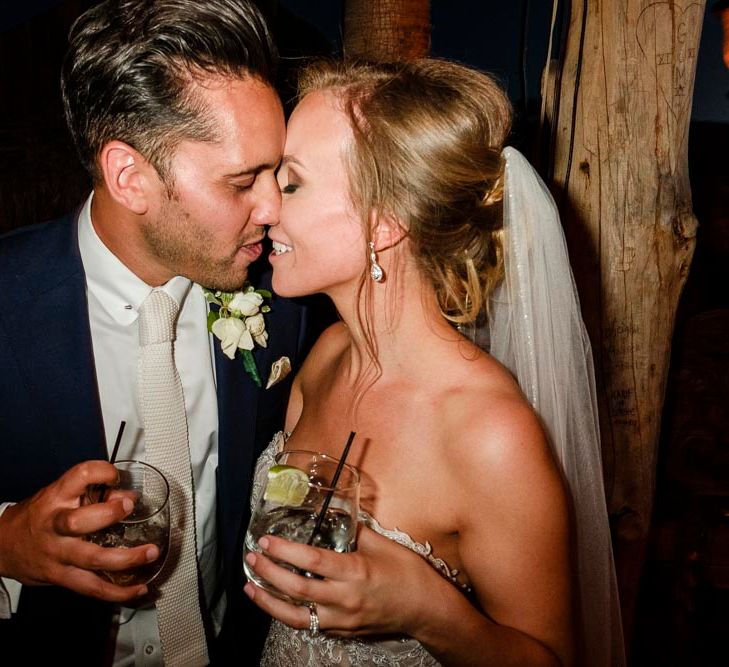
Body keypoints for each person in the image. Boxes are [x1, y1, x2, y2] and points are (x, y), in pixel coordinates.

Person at [242, 59, 625, 666]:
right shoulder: (327, 356)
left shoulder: (489, 435)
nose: (263, 205)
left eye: (291, 183)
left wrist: (426, 608)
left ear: (387, 222)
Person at [0, 1, 312, 664]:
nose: (274, 208)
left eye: (276, 172)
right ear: (130, 176)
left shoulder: (280, 300)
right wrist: (5, 541)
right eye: (242, 180)